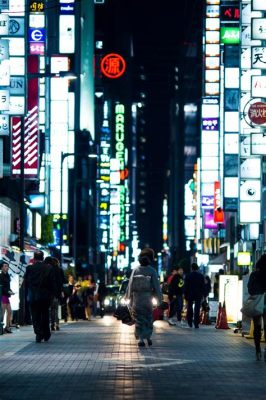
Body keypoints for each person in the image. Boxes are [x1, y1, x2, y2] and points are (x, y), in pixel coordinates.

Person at [125, 248, 162, 347]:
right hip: (147, 299)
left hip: (137, 299)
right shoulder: (152, 271)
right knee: (148, 318)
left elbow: (130, 285)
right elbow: (157, 286)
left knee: (138, 319)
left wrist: (127, 296)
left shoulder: (135, 270)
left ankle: (141, 339)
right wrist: (159, 298)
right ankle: (148, 337)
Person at [24, 251, 58, 343]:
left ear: (34, 258)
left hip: (33, 296)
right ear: (43, 258)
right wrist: (53, 294)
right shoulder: (49, 268)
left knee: (35, 315)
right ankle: (46, 334)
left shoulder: (29, 268)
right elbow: (52, 283)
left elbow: (26, 283)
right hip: (45, 296)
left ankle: (38, 334)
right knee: (45, 314)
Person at [247, 254, 266, 361]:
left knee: (257, 326)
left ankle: (258, 350)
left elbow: (250, 288)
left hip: (257, 301)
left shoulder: (254, 274)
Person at [44, 256, 64, 331]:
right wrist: (61, 291)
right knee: (56, 308)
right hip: (57, 292)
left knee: (51, 309)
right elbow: (62, 281)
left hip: (49, 292)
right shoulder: (59, 270)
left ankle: (52, 324)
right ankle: (57, 324)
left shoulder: (49, 269)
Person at [184, 262, 205, 328]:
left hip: (190, 294)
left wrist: (185, 295)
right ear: (197, 268)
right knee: (197, 309)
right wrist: (203, 295)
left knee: (189, 308)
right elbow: (203, 286)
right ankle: (196, 323)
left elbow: (186, 286)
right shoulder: (201, 276)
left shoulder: (188, 276)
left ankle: (190, 322)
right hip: (198, 294)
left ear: (191, 268)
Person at [0, 261, 15, 333]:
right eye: (5, 266)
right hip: (2, 295)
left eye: (7, 266)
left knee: (9, 311)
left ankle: (7, 327)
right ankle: (1, 327)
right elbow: (2, 287)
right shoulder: (1, 275)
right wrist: (8, 291)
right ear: (2, 267)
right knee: (2, 312)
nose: (7, 267)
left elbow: (7, 286)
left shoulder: (7, 275)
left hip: (6, 295)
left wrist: (10, 290)